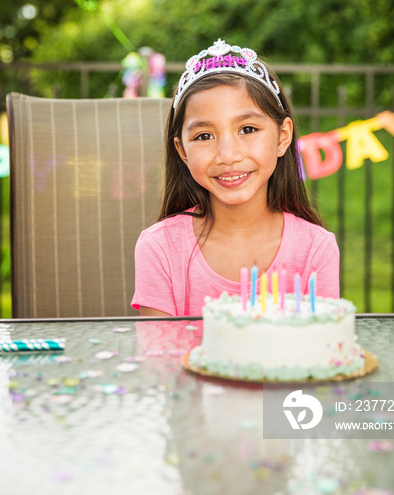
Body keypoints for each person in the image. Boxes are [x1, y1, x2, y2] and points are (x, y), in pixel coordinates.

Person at [131, 39, 339, 316]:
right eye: (204, 136)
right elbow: (158, 357)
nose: (227, 155)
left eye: (248, 129)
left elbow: (321, 350)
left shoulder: (316, 249)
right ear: (182, 150)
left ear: (283, 136)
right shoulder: (160, 247)